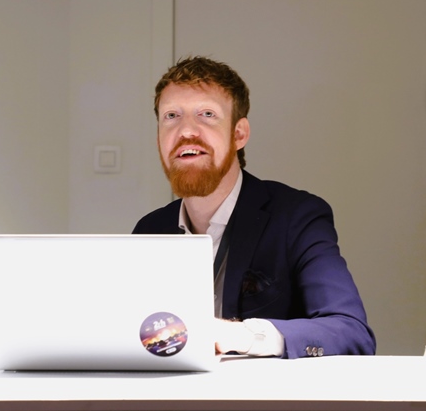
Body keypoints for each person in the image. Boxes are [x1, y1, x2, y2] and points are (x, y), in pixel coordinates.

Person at [133, 56, 376, 359]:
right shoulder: (149, 230)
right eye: (171, 116)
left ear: (239, 134)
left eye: (207, 114)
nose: (186, 131)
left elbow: (351, 332)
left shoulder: (297, 218)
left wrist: (242, 336)